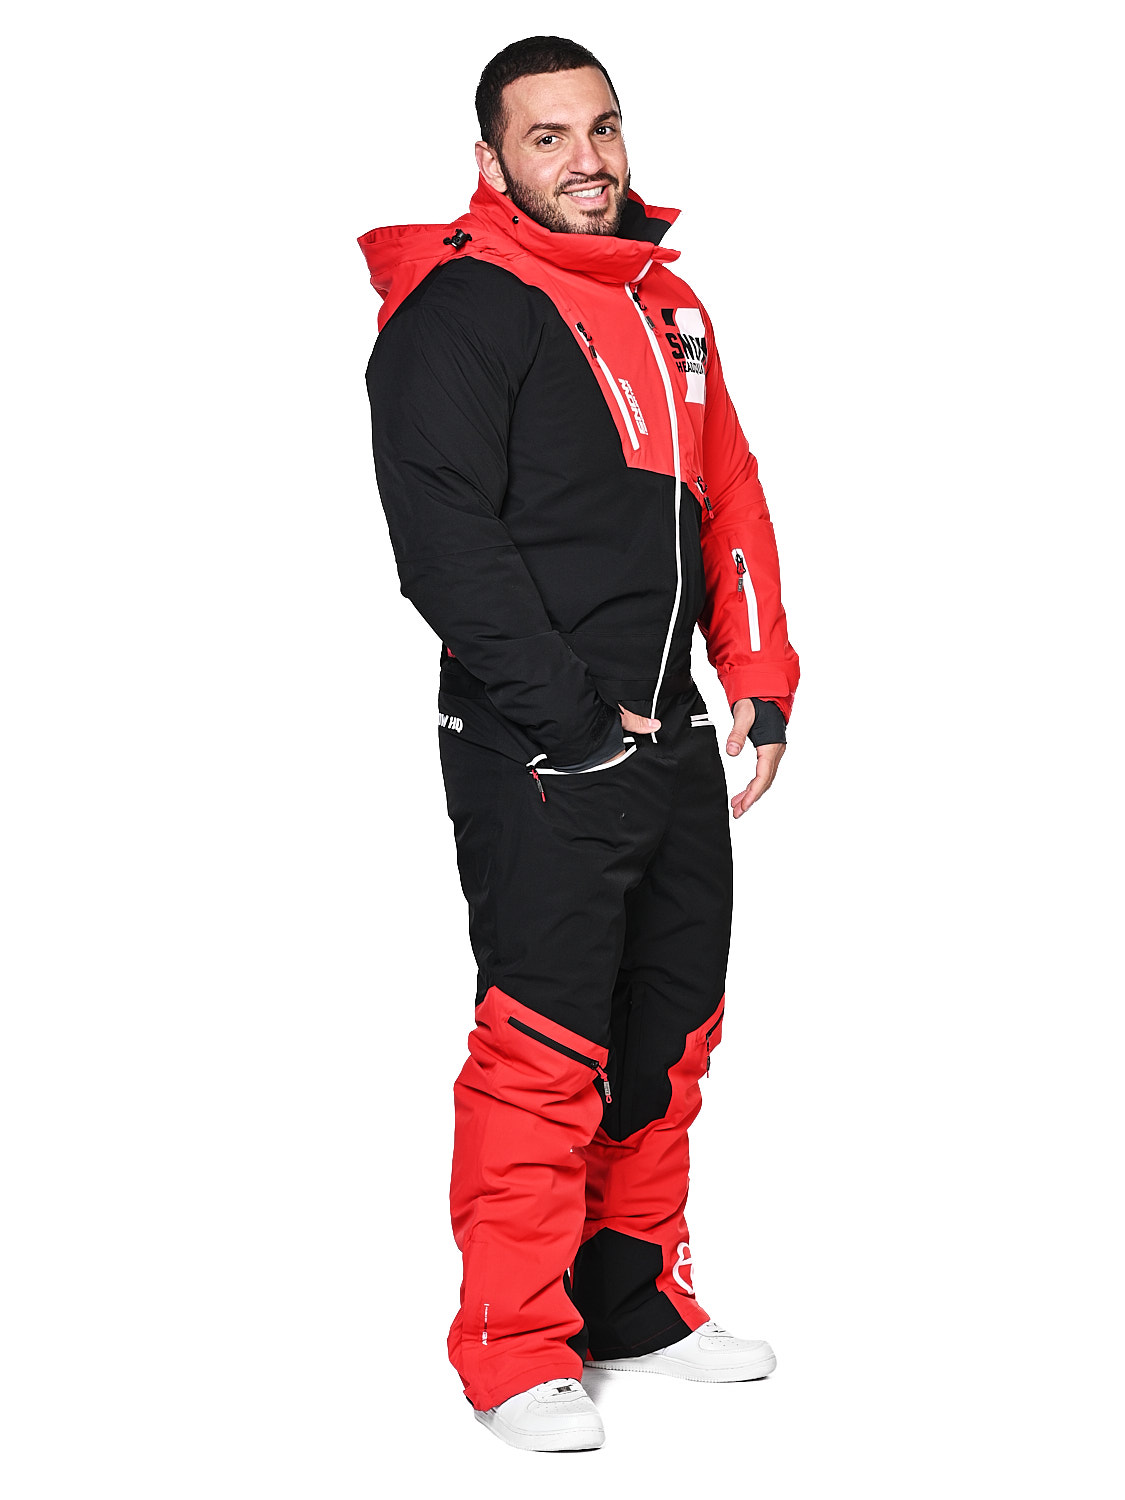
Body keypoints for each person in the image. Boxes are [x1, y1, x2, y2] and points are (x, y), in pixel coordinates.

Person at [359, 35, 800, 1453]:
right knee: (544, 1043)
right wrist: (569, 721)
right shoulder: (458, 311)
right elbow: (443, 547)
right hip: (534, 747)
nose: (586, 159)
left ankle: (632, 1304)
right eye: (546, 136)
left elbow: (728, 493)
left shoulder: (670, 307)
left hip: (670, 735)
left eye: (601, 128)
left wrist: (757, 671)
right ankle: (510, 1345)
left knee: (668, 1030)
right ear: (492, 160)